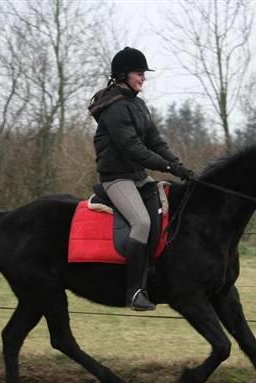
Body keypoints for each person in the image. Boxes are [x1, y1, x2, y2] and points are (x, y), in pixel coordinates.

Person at [88, 47, 194, 311]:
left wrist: (180, 167)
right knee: (141, 221)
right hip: (117, 179)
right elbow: (133, 148)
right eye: (139, 73)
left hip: (137, 177)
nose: (143, 78)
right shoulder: (114, 109)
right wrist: (167, 166)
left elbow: (155, 141)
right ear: (123, 75)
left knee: (168, 210)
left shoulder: (138, 105)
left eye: (144, 74)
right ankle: (134, 291)